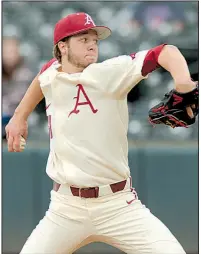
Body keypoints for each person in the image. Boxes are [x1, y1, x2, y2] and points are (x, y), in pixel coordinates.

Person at [5, 12, 196, 254]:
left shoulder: (111, 72)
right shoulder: (52, 73)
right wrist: (19, 117)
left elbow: (164, 51)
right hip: (65, 209)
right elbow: (42, 77)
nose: (92, 45)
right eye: (83, 39)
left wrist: (184, 85)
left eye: (94, 40)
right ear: (62, 47)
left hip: (118, 205)